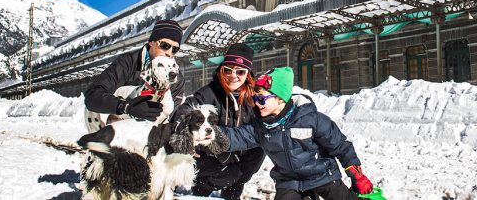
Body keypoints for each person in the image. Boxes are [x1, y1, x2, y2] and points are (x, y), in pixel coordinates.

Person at [212, 66, 374, 200]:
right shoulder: (261, 126)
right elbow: (239, 136)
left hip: (322, 175)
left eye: (261, 99)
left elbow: (340, 146)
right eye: (255, 99)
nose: (257, 104)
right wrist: (212, 136)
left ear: (280, 98)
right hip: (288, 181)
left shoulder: (311, 119)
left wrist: (357, 175)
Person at [171, 43, 265, 200]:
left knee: (258, 151)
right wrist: (191, 141)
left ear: (248, 74)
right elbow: (184, 111)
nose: (233, 76)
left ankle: (233, 191)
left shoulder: (252, 98)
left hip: (235, 150)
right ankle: (202, 187)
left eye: (240, 72)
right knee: (230, 173)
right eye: (228, 70)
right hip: (208, 154)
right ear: (222, 69)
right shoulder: (209, 93)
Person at [84, 19, 186, 121]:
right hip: (110, 122)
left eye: (174, 49)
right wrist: (125, 106)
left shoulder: (177, 79)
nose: (169, 53)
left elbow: (170, 117)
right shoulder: (127, 62)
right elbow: (92, 95)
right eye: (165, 45)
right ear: (152, 42)